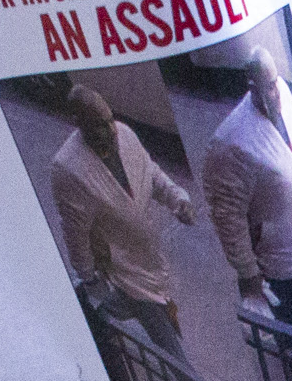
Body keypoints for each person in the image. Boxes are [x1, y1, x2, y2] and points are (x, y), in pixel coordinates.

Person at [50, 84, 197, 363]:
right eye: (99, 126)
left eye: (109, 120)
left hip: (149, 258)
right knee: (163, 334)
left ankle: (88, 316)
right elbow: (74, 231)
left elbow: (150, 173)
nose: (110, 131)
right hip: (123, 269)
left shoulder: (125, 133)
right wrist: (88, 274)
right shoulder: (67, 169)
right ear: (79, 125)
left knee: (121, 310)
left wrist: (178, 200)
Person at [203, 52, 292, 340]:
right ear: (252, 87)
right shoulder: (231, 143)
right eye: (267, 87)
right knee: (287, 323)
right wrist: (248, 272)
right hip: (279, 258)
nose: (276, 92)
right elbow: (228, 218)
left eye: (276, 82)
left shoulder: (282, 92)